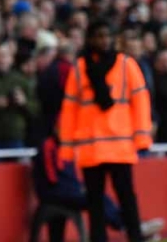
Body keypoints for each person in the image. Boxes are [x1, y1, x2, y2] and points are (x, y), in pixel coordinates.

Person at [59, 20, 153, 242]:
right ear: (90, 39)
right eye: (98, 36)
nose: (103, 40)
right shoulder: (80, 68)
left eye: (106, 36)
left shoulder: (126, 64)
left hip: (119, 146)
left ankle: (135, 237)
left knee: (126, 198)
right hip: (91, 147)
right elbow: (69, 108)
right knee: (95, 202)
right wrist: (66, 147)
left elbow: (140, 101)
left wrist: (142, 138)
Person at [33, 136, 164, 242]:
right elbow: (51, 178)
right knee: (96, 198)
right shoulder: (48, 146)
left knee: (99, 197)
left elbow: (69, 177)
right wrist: (76, 189)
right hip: (54, 194)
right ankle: (128, 226)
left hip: (68, 192)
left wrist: (77, 188)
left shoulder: (66, 147)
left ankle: (127, 225)